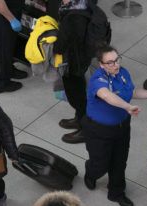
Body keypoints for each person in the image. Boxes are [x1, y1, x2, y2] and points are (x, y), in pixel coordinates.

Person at [82, 45, 147, 206]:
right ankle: (91, 172)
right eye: (110, 62)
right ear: (101, 64)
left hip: (122, 127)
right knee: (100, 164)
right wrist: (127, 107)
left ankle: (116, 193)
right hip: (99, 130)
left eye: (117, 59)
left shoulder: (123, 73)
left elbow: (131, 92)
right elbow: (107, 96)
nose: (115, 64)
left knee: (119, 162)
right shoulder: (98, 80)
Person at [54, 0, 92, 144]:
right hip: (79, 59)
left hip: (73, 62)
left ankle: (85, 130)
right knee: (78, 92)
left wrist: (52, 45)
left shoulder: (73, 16)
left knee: (77, 96)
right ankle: (79, 118)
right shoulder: (82, 7)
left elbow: (61, 44)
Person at [0, 0, 28, 93]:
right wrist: (12, 19)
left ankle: (9, 70)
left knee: (10, 45)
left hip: (12, 8)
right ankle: (1, 83)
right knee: (3, 48)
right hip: (3, 15)